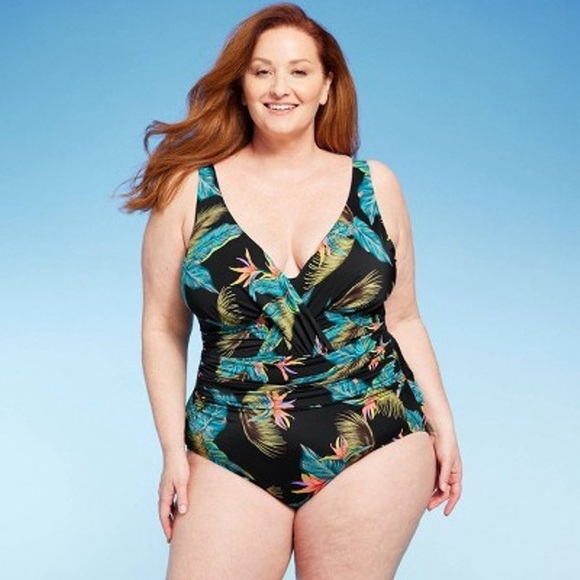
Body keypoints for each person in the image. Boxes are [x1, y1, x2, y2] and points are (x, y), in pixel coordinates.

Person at [122, 3, 462, 578]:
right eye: (263, 71)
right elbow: (162, 326)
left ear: (327, 86)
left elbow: (403, 318)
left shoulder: (376, 186)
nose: (281, 87)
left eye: (299, 71)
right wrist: (172, 452)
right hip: (229, 438)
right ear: (242, 85)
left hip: (373, 433)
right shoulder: (187, 191)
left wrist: (445, 424)